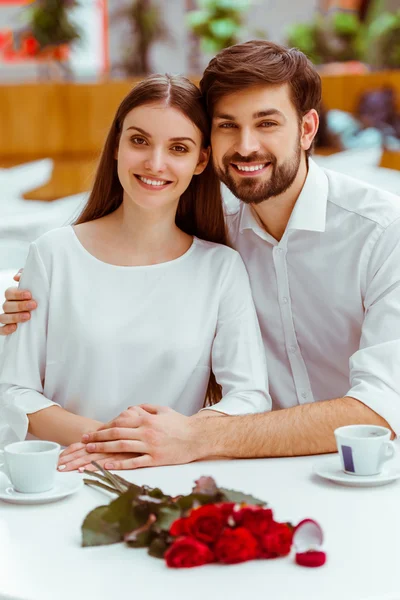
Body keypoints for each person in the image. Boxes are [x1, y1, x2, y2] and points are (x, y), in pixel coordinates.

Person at [2, 41, 400, 471]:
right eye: (228, 125)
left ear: (307, 129)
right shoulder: (211, 227)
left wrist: (191, 436)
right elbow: (111, 269)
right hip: (250, 465)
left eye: (267, 123)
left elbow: (381, 404)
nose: (247, 147)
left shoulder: (382, 233)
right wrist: (24, 300)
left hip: (362, 467)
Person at [0, 73, 271, 471]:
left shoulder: (221, 269)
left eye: (178, 147)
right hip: (66, 475)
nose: (155, 163)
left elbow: (249, 397)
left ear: (201, 160)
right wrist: (115, 441)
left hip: (175, 478)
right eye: (139, 140)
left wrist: (166, 444)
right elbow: (14, 391)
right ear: (117, 144)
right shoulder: (53, 254)